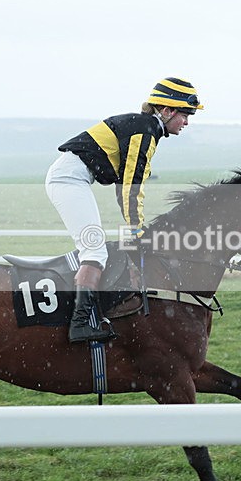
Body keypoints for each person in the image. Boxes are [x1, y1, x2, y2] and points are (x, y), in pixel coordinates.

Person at [46, 77, 203, 343]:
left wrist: (135, 229)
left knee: (98, 249)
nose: (186, 122)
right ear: (167, 111)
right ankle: (79, 324)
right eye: (185, 115)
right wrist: (135, 230)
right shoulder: (144, 132)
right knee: (94, 251)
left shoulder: (147, 129)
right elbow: (129, 187)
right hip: (68, 179)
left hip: (73, 178)